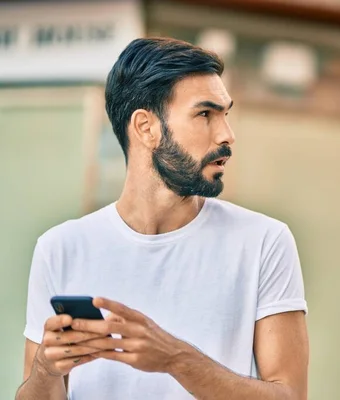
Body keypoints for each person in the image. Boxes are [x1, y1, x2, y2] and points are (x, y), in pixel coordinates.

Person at [16, 37, 309, 400]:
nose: (227, 135)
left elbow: (291, 396)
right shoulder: (59, 248)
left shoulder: (264, 241)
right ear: (145, 128)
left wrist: (175, 358)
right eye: (205, 114)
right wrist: (45, 369)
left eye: (225, 114)